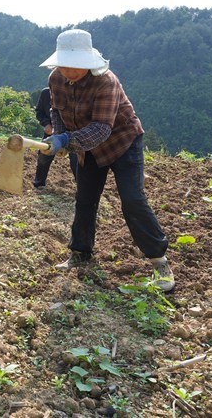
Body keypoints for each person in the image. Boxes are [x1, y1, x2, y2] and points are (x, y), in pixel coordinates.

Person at [38, 29, 174, 291]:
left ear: (87, 62)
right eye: (64, 64)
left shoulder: (105, 81)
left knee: (133, 199)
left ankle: (160, 261)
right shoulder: (55, 78)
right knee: (85, 199)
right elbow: (56, 110)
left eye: (75, 66)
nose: (69, 71)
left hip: (123, 142)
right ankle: (80, 253)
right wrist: (59, 133)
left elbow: (102, 128)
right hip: (85, 148)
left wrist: (67, 141)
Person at [33, 86, 78, 188]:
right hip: (52, 133)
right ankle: (39, 184)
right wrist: (46, 124)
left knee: (77, 162)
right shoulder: (46, 93)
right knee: (43, 157)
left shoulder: (77, 93)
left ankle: (82, 189)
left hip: (74, 134)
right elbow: (39, 112)